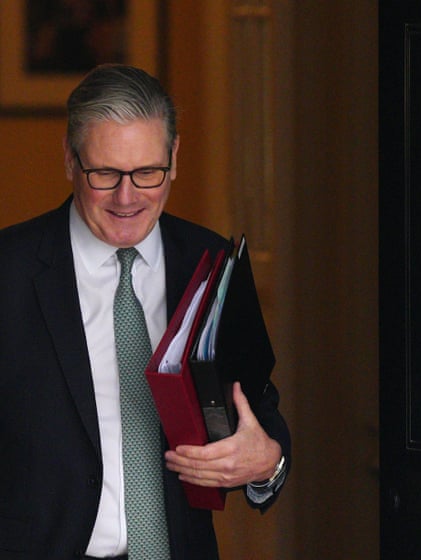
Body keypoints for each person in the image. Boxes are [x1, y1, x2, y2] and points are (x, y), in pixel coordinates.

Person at [0, 64, 290, 559]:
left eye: (147, 172)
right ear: (70, 159)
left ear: (174, 158)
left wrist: (267, 464)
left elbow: (258, 410)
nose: (127, 197)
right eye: (105, 173)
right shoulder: (10, 271)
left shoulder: (212, 262)